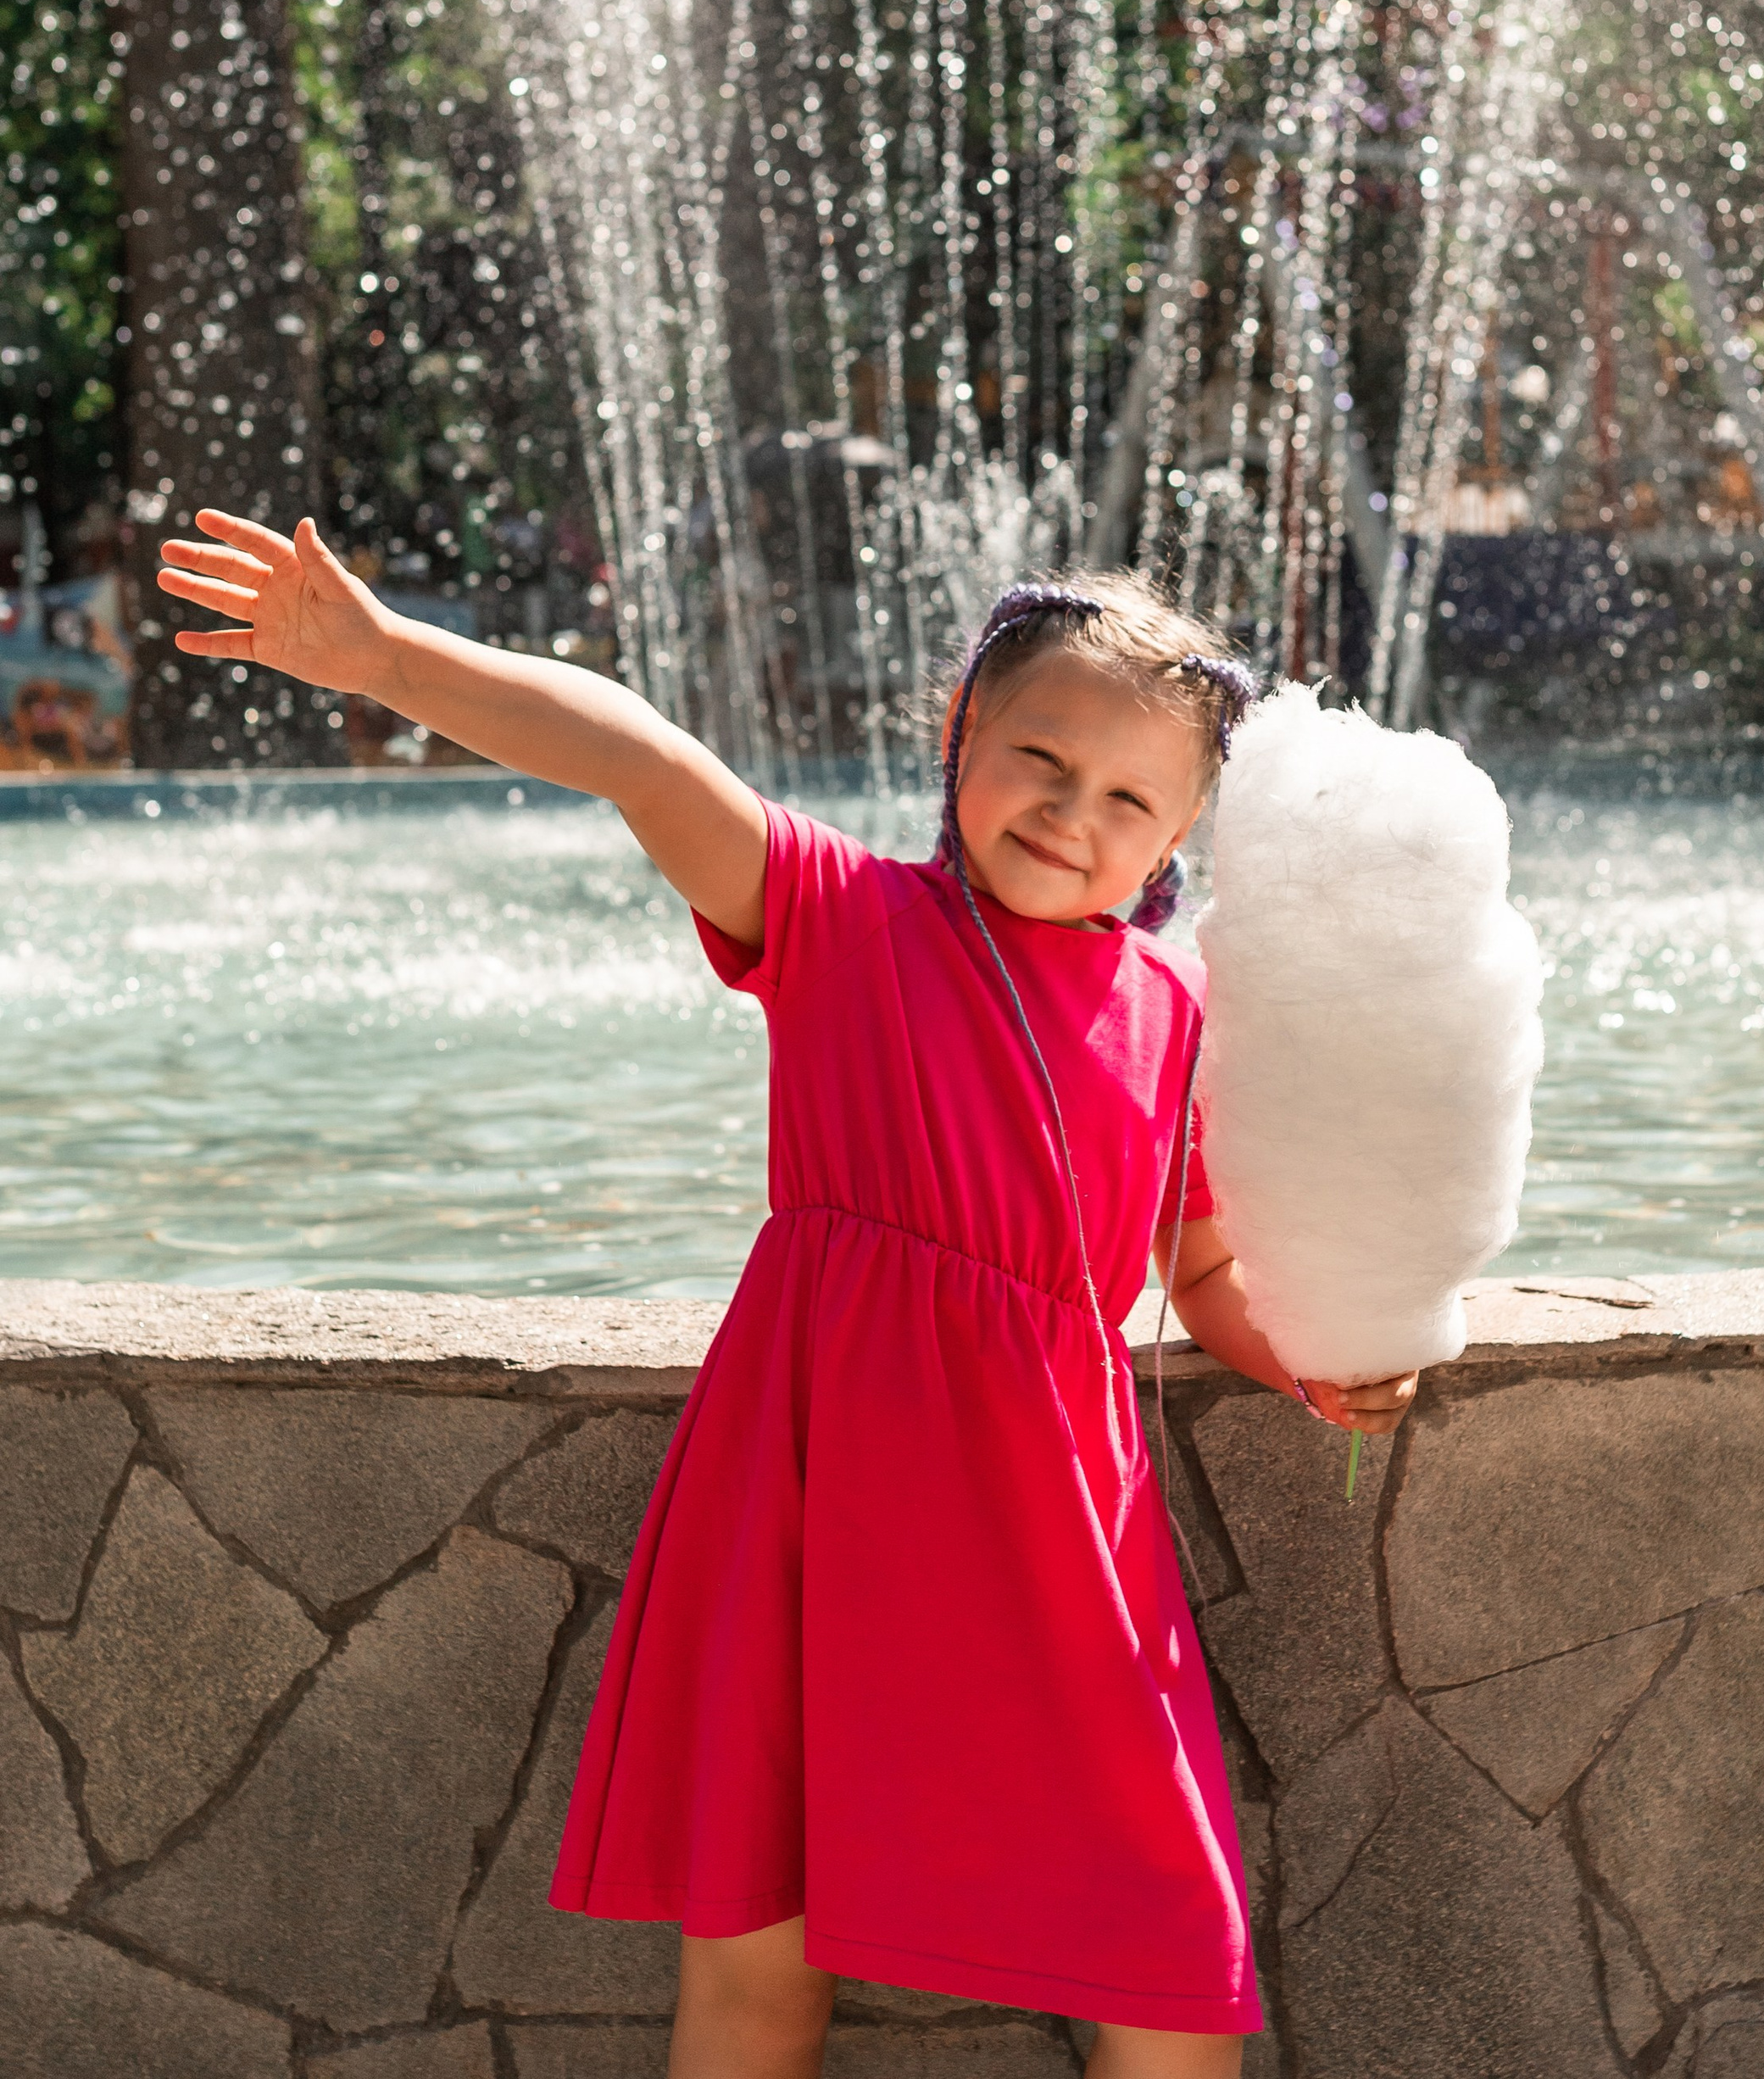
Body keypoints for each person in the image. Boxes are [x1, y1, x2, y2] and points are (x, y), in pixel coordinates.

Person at [159, 513, 1420, 2079]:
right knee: (758, 1969)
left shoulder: (1176, 1008)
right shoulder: (843, 918)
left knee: (1169, 1957)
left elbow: (1206, 1266)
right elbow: (641, 759)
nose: (1068, 810)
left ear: (1174, 847)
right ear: (960, 731)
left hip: (1058, 1529)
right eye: (1038, 756)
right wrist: (388, 657)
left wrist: (1308, 1356)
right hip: (816, 1501)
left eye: (1125, 799)